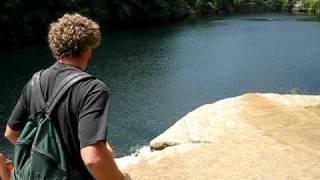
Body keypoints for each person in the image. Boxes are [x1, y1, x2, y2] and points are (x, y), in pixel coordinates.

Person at [4, 13, 124, 180]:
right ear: (87, 48)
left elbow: (11, 133)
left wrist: (43, 159)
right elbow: (93, 158)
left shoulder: (35, 82)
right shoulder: (92, 88)